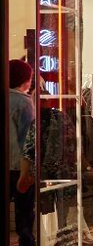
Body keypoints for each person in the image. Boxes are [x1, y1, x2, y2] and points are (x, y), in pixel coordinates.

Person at [9, 59, 36, 246]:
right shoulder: (24, 103)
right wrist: (28, 172)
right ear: (25, 79)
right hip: (19, 166)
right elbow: (29, 139)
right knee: (24, 213)